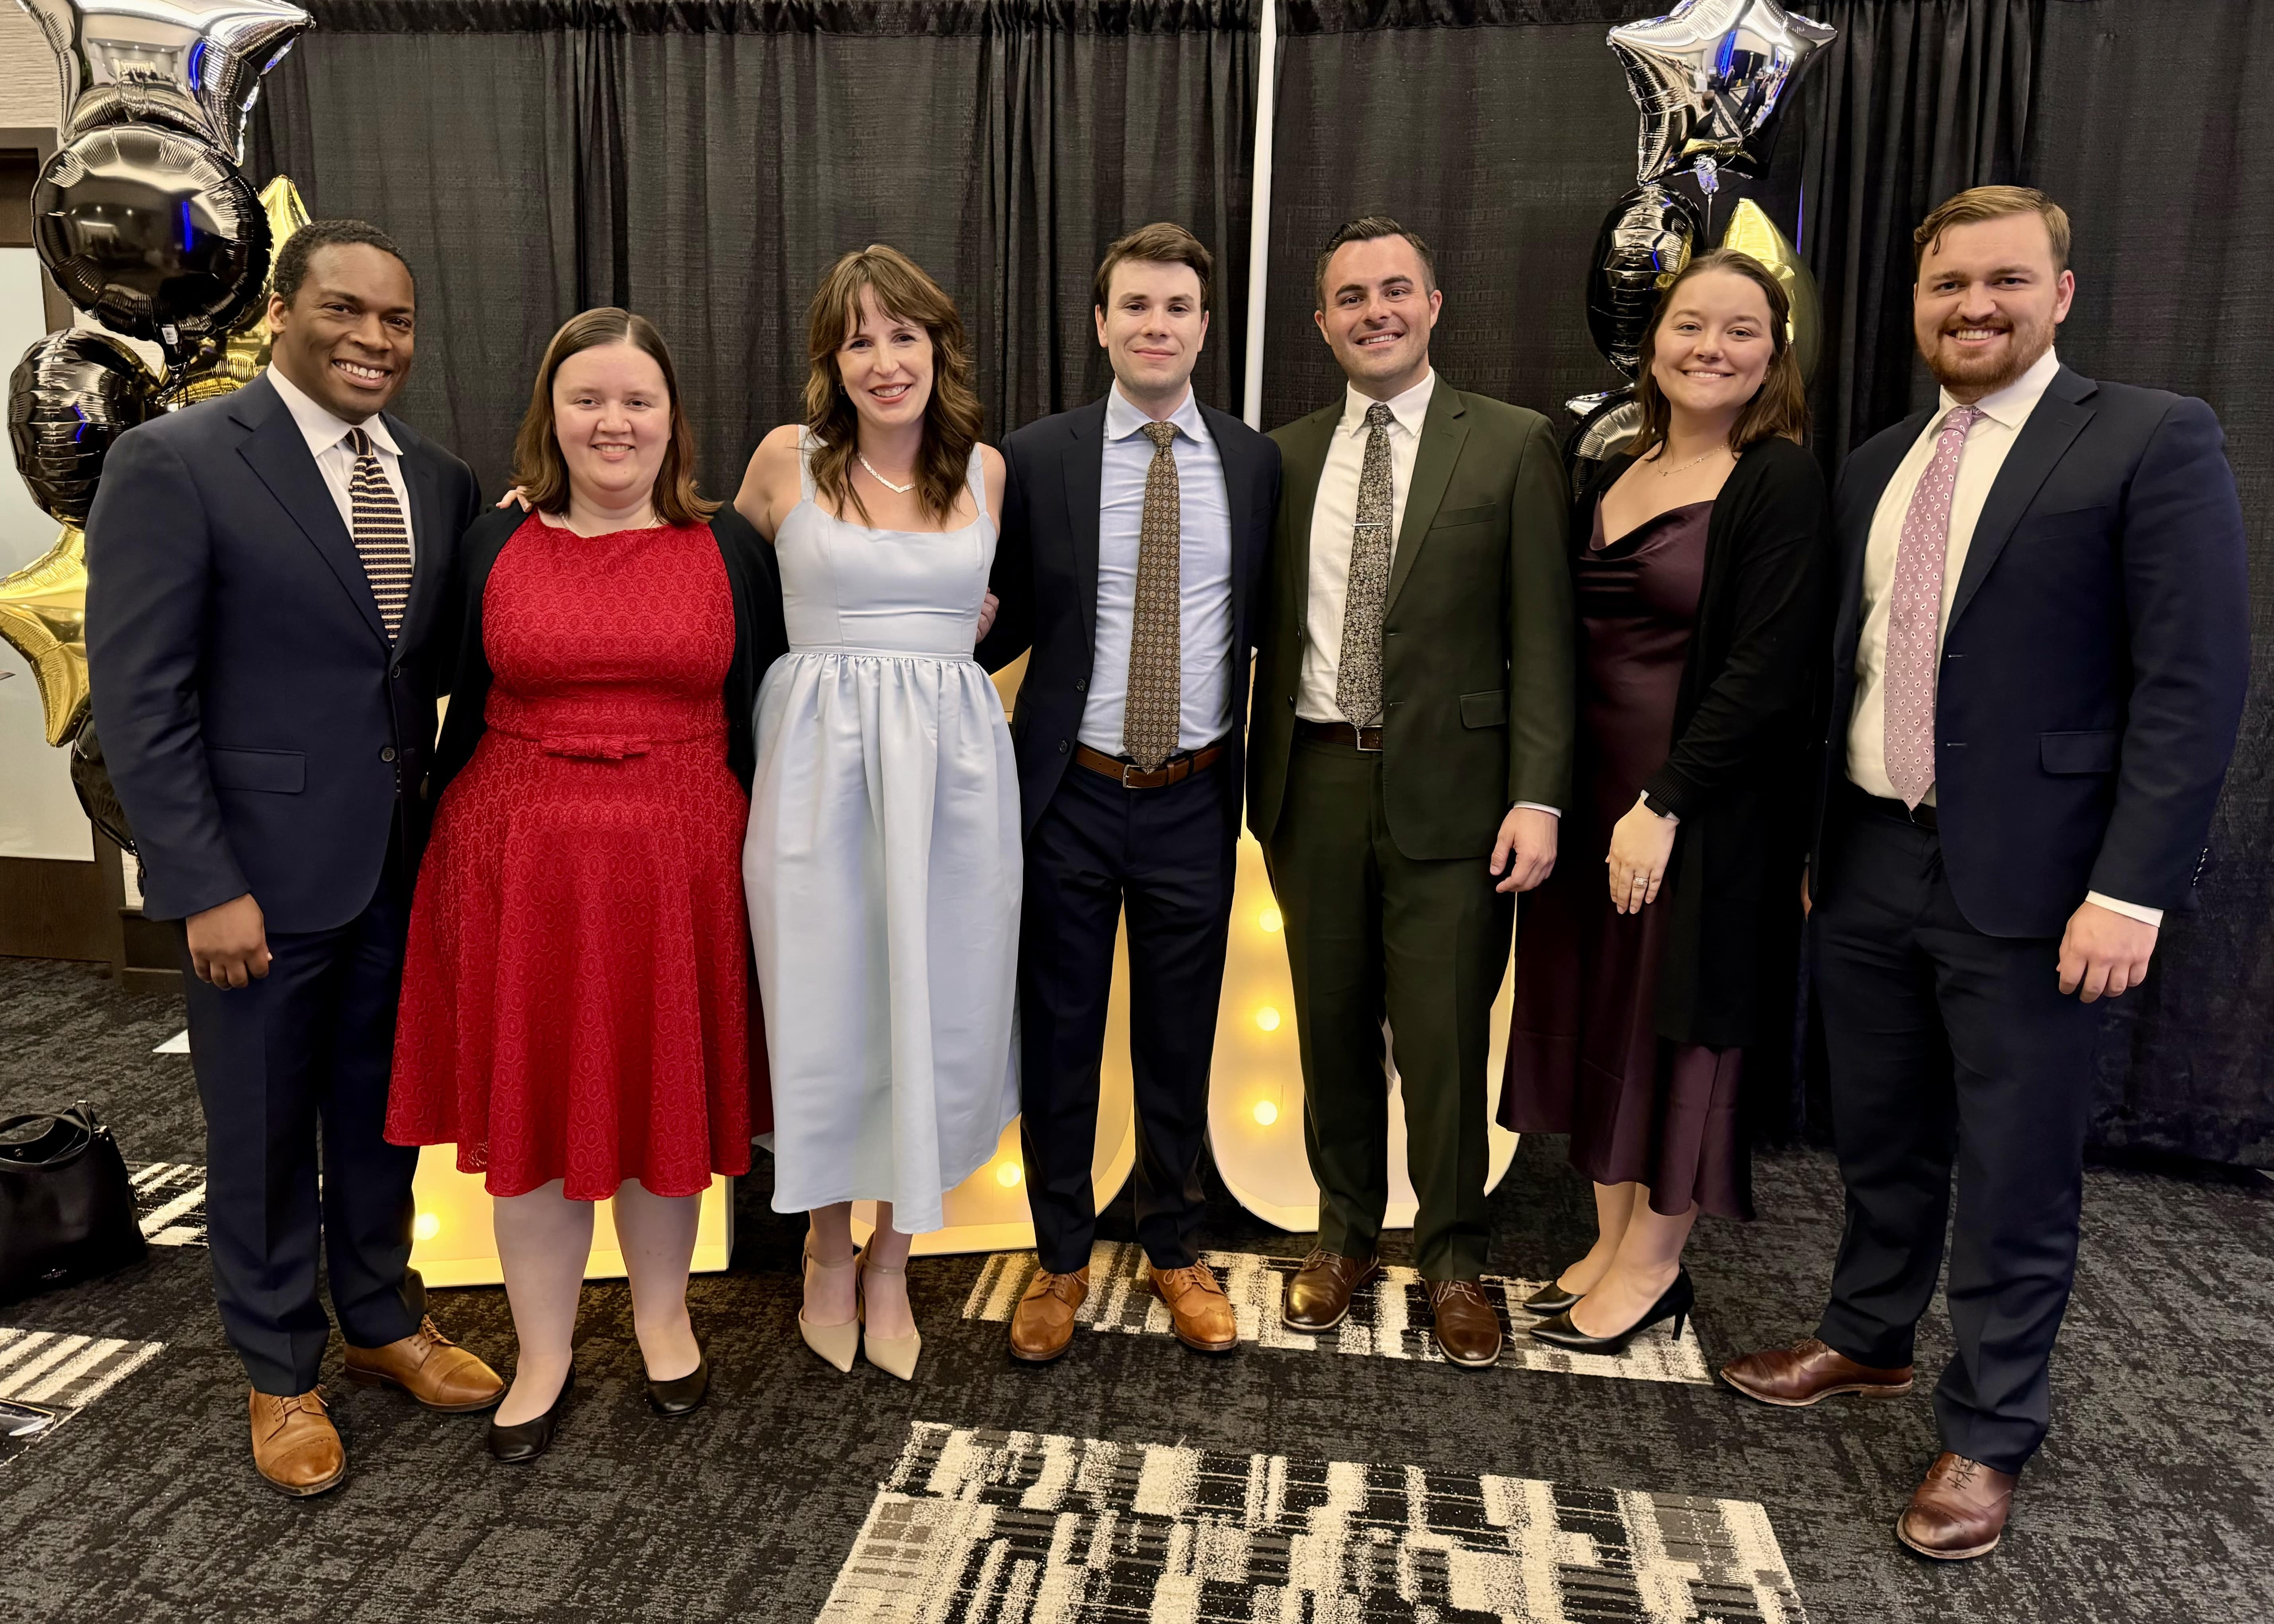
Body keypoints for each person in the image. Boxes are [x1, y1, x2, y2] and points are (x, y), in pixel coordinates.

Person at [1720, 187, 2249, 1560]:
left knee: (2019, 1168)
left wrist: (2132, 889)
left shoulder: (2149, 437)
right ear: (1917, 305)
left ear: (2061, 293)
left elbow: (2190, 687)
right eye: (1948, 285)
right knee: (1882, 1136)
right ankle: (1867, 1337)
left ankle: (1990, 1429)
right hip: (1872, 856)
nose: (1974, 306)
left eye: (2005, 281)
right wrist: (1816, 847)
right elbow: (1859, 664)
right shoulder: (1878, 460)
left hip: (2044, 886)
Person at [85, 220, 503, 1495]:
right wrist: (200, 883)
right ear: (282, 311)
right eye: (348, 311)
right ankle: (278, 1372)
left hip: (391, 866)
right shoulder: (178, 463)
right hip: (251, 884)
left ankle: (380, 1322)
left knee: (384, 1116)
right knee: (263, 1133)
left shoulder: (436, 478)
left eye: (399, 320)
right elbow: (141, 700)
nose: (376, 339)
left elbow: (421, 672)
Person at [387, 309, 787, 1461]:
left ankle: (663, 1318)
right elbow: (428, 693)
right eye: (587, 400)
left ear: (674, 421)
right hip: (521, 869)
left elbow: (765, 712)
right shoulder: (489, 542)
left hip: (682, 869)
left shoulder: (730, 551)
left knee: (664, 1093)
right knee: (538, 1109)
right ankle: (545, 1347)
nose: (613, 422)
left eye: (638, 401)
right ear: (550, 418)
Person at [1248, 217, 1574, 1368]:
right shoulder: (1279, 459)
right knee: (1330, 1026)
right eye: (1350, 297)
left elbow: (1545, 635)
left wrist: (1540, 792)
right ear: (1323, 322)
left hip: (1462, 793)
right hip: (1314, 779)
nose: (1373, 311)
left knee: (1442, 1036)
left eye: (1396, 290)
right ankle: (1342, 1236)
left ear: (1435, 306)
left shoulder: (1516, 443)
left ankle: (1452, 1253)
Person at [1502, 250, 1829, 1354]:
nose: (1712, 348)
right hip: (1590, 799)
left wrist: (1666, 802)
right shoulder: (1617, 467)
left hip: (1692, 813)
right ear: (1655, 339)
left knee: (1676, 1027)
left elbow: (1768, 671)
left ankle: (1653, 1266)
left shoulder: (1777, 479)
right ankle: (1607, 1239)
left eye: (1742, 331)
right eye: (1692, 324)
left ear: (1773, 354)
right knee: (1606, 1019)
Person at [978, 223, 1281, 1362]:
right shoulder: (1037, 456)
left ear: (1206, 328)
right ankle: (1058, 1258)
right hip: (1069, 794)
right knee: (1059, 1034)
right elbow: (982, 607)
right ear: (1101, 324)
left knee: (1178, 1037)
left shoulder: (1255, 466)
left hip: (1194, 797)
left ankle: (1174, 1247)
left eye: (1178, 309)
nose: (1157, 326)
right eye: (1135, 307)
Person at [738, 246, 1018, 1383]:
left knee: (937, 1008)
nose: (885, 359)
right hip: (813, 773)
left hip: (953, 783)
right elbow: (666, 537)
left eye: (905, 334)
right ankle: (821, 1245)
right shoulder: (784, 463)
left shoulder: (989, 475)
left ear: (939, 348)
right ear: (832, 359)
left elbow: (1000, 610)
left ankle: (894, 1256)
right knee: (823, 1006)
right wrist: (543, 505)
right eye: (860, 338)